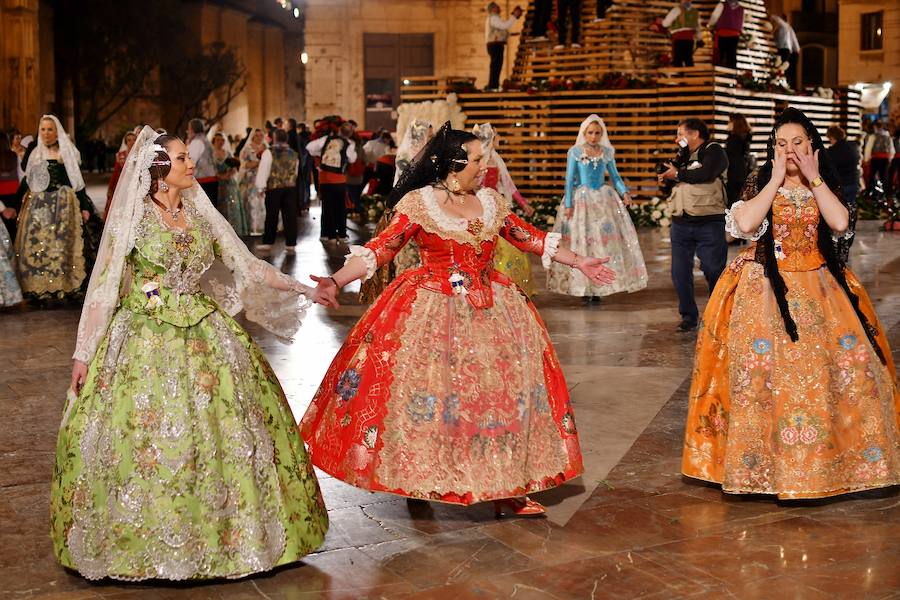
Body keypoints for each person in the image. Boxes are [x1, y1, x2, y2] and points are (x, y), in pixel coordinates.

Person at [51, 126, 328, 581]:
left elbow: (247, 265)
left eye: (186, 157)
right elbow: (104, 286)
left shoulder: (202, 215)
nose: (190, 163)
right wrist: (84, 352)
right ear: (160, 172)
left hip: (204, 328)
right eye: (181, 158)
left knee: (229, 427)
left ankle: (232, 536)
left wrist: (304, 287)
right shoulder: (134, 219)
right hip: (143, 334)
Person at [300, 122, 617, 516]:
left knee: (503, 397)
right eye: (478, 159)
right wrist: (334, 279)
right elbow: (382, 248)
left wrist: (579, 261)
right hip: (431, 308)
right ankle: (421, 477)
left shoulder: (491, 201)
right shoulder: (420, 204)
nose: (485, 166)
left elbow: (528, 237)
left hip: (494, 309)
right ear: (453, 165)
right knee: (432, 398)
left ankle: (508, 485)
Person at [682, 107, 900, 499]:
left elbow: (838, 223)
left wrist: (814, 178)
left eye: (797, 142)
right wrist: (776, 179)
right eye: (781, 143)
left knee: (838, 371)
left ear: (812, 144)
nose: (790, 150)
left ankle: (823, 465)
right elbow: (746, 225)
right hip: (764, 285)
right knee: (760, 378)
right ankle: (760, 467)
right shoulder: (761, 180)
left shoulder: (822, 182)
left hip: (818, 283)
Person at [548, 115, 647, 303]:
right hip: (582, 201)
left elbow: (615, 176)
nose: (594, 137)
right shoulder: (575, 152)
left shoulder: (607, 152)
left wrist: (624, 192)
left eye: (597, 133)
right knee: (583, 240)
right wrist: (568, 204)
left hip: (603, 200)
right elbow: (569, 180)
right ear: (584, 133)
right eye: (590, 133)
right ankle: (584, 286)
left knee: (602, 241)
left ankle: (601, 283)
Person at [13, 115, 102, 303]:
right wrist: (14, 205)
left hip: (62, 208)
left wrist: (84, 207)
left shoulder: (65, 153)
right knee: (39, 246)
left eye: (50, 129)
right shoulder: (35, 153)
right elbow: (27, 181)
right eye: (43, 129)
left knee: (61, 246)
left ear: (57, 132)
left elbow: (76, 182)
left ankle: (62, 285)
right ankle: (40, 286)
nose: (46, 133)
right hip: (38, 210)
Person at [658, 117, 728, 331]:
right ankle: (688, 316)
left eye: (681, 134)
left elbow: (705, 173)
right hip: (680, 222)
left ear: (695, 134)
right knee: (679, 272)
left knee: (713, 269)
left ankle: (718, 314)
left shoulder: (714, 150)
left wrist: (677, 174)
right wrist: (665, 177)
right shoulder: (682, 155)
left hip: (709, 222)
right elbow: (668, 185)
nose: (677, 139)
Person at [473, 123, 537, 296]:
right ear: (491, 138)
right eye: (497, 136)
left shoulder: (496, 159)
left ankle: (511, 286)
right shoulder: (478, 160)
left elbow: (508, 186)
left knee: (511, 244)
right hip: (480, 207)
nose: (499, 139)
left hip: (496, 205)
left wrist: (524, 204)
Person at [307, 122, 357, 243]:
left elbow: (309, 147)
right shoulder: (349, 144)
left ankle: (329, 236)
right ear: (350, 134)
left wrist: (320, 153)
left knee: (327, 207)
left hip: (324, 178)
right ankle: (342, 234)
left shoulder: (326, 139)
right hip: (339, 179)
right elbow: (352, 159)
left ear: (339, 130)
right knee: (340, 207)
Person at [257, 128, 300, 254]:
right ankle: (291, 244)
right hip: (290, 188)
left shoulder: (269, 152)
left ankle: (268, 242)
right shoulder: (294, 153)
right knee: (290, 216)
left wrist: (261, 187)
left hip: (274, 188)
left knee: (271, 215)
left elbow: (264, 170)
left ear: (274, 138)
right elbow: (295, 171)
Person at [826, 125, 860, 260]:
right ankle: (848, 237)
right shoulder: (853, 147)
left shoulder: (832, 152)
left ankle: (838, 244)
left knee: (838, 214)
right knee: (850, 210)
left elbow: (830, 171)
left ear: (832, 137)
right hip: (853, 183)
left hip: (840, 187)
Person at [212, 132, 250, 236]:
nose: (220, 142)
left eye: (222, 140)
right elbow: (212, 169)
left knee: (233, 205)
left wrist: (229, 174)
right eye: (218, 140)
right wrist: (221, 176)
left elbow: (234, 166)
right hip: (219, 183)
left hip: (230, 182)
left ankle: (235, 230)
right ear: (214, 141)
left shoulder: (227, 153)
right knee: (222, 206)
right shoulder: (211, 154)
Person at [485, 2, 523, 91]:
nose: (499, 8)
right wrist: (514, 16)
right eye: (497, 7)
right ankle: (493, 86)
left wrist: (511, 34)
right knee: (496, 66)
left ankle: (493, 85)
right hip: (495, 45)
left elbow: (499, 30)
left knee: (496, 65)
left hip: (494, 45)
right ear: (493, 9)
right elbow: (503, 26)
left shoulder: (493, 18)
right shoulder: (494, 17)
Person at [239, 128, 267, 235]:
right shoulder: (247, 149)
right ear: (253, 136)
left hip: (263, 178)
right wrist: (258, 163)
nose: (259, 137)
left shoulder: (266, 148)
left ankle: (263, 227)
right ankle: (253, 227)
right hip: (251, 179)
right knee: (253, 202)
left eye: (261, 135)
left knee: (263, 202)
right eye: (257, 135)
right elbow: (244, 164)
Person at [105, 131, 137, 218]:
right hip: (124, 185)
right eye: (129, 140)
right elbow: (115, 173)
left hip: (136, 185)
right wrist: (111, 188)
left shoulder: (140, 154)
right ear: (126, 142)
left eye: (134, 140)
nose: (132, 142)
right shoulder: (121, 155)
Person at [187, 118, 218, 207]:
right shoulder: (205, 139)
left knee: (204, 210)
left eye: (188, 128)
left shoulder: (197, 142)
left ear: (191, 129)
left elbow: (190, 162)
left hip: (203, 180)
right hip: (210, 178)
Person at [724, 113, 752, 208]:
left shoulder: (734, 139)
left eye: (729, 122)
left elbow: (730, 155)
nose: (728, 124)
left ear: (734, 123)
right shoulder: (744, 137)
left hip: (734, 171)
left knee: (733, 198)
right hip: (742, 169)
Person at [663, 0, 702, 67]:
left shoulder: (676, 10)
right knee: (688, 59)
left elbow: (665, 24)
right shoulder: (695, 12)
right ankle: (690, 75)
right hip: (690, 39)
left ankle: (679, 75)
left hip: (678, 38)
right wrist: (699, 39)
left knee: (678, 59)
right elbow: (698, 27)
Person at [708, 0, 744, 69]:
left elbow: (714, 17)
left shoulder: (722, 5)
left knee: (720, 55)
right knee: (731, 56)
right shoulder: (741, 9)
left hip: (723, 34)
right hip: (735, 35)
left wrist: (710, 25)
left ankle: (718, 72)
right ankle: (731, 74)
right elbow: (741, 24)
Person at [864, 120, 895, 198]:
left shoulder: (873, 136)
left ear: (875, 127)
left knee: (872, 176)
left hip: (875, 158)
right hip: (885, 159)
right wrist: (890, 158)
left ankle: (869, 193)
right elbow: (891, 148)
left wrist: (866, 158)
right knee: (884, 176)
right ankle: (886, 194)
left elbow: (868, 148)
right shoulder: (887, 136)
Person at [770, 14, 799, 89]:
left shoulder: (785, 26)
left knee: (783, 67)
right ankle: (782, 83)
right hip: (785, 49)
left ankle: (784, 85)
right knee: (782, 67)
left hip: (785, 49)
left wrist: (770, 15)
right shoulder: (784, 28)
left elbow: (777, 19)